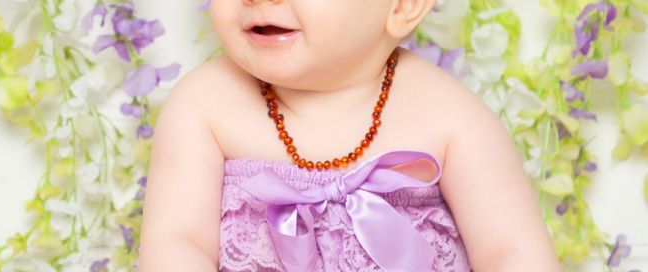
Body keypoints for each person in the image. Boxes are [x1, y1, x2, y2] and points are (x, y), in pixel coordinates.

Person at [137, 0, 562, 271]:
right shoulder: (203, 106)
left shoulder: (450, 116)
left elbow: (512, 253)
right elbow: (177, 243)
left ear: (404, 5)